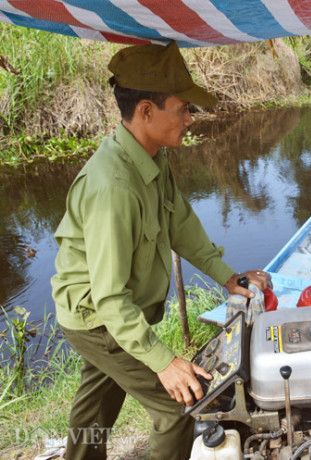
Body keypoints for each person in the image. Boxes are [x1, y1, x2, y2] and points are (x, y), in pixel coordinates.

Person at [51, 41, 267, 460]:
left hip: (114, 309)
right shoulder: (112, 187)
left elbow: (179, 222)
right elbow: (110, 298)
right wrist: (164, 361)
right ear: (146, 111)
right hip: (99, 317)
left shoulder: (151, 157)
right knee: (179, 407)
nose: (190, 118)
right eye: (182, 108)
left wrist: (226, 276)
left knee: (94, 415)